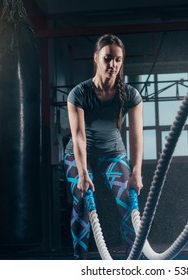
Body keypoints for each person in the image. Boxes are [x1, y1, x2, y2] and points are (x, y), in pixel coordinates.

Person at [63, 34, 143, 259]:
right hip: (78, 154)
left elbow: (136, 137)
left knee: (129, 203)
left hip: (113, 153)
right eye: (107, 58)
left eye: (117, 59)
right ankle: (81, 263)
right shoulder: (79, 93)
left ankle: (133, 264)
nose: (113, 64)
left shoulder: (130, 94)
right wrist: (81, 173)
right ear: (96, 58)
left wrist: (136, 172)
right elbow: (79, 136)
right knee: (82, 204)